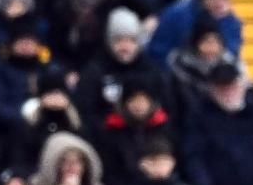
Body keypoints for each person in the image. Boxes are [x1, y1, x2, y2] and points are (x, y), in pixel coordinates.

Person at [73, 7, 176, 135]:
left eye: (131, 40)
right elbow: (85, 110)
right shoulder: (95, 71)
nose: (125, 47)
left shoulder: (151, 70)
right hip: (108, 137)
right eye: (119, 40)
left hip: (149, 136)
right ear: (109, 42)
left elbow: (167, 107)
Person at [92, 76, 174, 185]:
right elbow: (110, 173)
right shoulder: (112, 131)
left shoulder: (162, 127)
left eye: (144, 100)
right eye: (133, 100)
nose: (139, 105)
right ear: (125, 103)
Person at [147, 0, 241, 66]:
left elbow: (233, 52)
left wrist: (222, 21)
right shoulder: (177, 14)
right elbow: (158, 52)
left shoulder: (231, 18)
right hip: (180, 73)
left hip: (218, 74)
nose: (219, 2)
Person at [0, 15, 55, 138]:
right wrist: (23, 116)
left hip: (46, 129)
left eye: (31, 41)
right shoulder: (1, 71)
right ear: (11, 45)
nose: (26, 45)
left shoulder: (48, 70)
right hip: (11, 131)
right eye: (21, 41)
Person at [7, 67, 83, 167]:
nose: (55, 98)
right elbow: (21, 158)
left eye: (59, 93)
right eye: (50, 93)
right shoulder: (29, 126)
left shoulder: (75, 124)